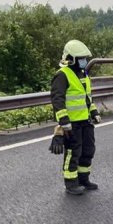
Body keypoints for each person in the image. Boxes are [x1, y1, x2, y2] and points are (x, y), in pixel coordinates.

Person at [48, 40, 101, 195]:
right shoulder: (62, 75)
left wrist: (94, 112)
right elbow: (57, 100)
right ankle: (71, 183)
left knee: (88, 150)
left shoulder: (82, 74)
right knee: (73, 152)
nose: (84, 61)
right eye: (81, 58)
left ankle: (83, 179)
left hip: (86, 121)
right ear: (71, 58)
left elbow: (86, 98)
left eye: (85, 57)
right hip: (71, 124)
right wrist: (63, 122)